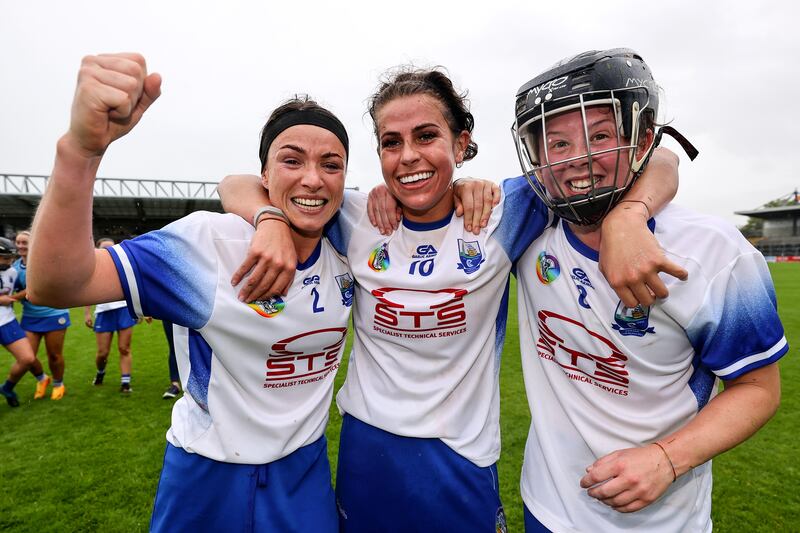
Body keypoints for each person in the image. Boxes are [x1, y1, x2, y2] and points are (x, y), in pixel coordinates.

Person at [219, 66, 684, 532]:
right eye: (391, 142)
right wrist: (269, 219)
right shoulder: (354, 215)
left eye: (426, 136)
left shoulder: (506, 212)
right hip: (367, 449)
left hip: (461, 456)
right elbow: (238, 182)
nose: (408, 157)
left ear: (461, 144)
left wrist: (628, 216)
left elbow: (660, 157)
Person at [27, 53, 352, 531]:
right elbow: (57, 283)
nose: (312, 178)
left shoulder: (353, 241)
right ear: (264, 175)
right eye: (291, 160)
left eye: (332, 164)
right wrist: (79, 151)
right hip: (208, 475)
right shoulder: (209, 244)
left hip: (304, 475)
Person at [510, 48, 786, 532]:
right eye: (557, 143)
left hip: (664, 521)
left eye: (599, 136)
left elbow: (758, 389)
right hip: (547, 507)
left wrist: (666, 459)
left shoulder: (712, 251)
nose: (579, 159)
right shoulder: (528, 223)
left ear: (638, 141)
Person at [12, 230, 68, 400]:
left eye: (25, 242)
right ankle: (42, 379)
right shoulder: (14, 268)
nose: (21, 246)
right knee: (27, 357)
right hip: (30, 317)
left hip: (54, 313)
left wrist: (11, 298)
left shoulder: (45, 263)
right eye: (19, 242)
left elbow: (37, 289)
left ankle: (58, 384)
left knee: (54, 354)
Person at [83, 237, 138, 392]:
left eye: (111, 248)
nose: (107, 251)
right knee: (103, 353)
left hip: (124, 310)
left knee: (124, 348)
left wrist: (140, 311)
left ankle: (125, 383)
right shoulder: (91, 268)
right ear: (96, 249)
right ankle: (100, 372)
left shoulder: (124, 266)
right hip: (103, 312)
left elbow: (134, 288)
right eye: (104, 248)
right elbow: (88, 292)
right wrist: (87, 313)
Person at [0, 237, 49, 407]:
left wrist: (12, 298)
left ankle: (7, 388)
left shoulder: (12, 272)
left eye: (10, 258)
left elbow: (26, 291)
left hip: (7, 321)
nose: (9, 261)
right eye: (5, 258)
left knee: (27, 358)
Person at [160, 320, 182, 399]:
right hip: (169, 312)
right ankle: (175, 384)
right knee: (174, 346)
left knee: (195, 345)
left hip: (191, 311)